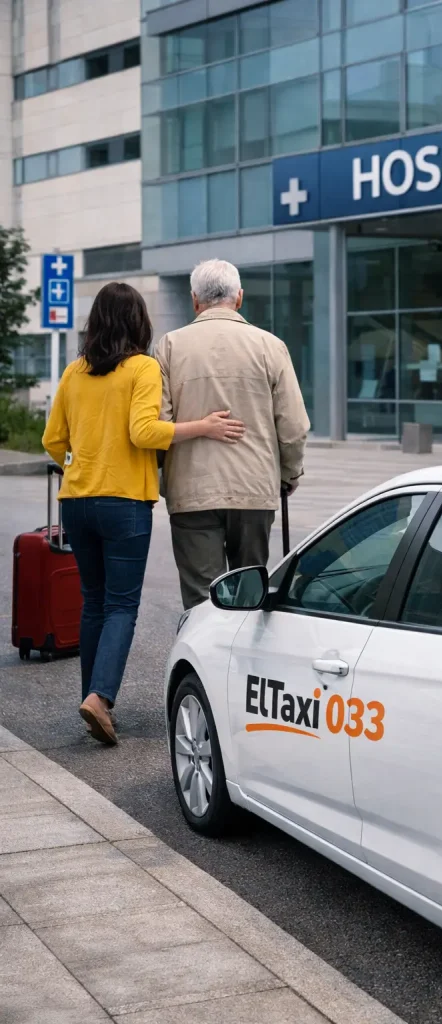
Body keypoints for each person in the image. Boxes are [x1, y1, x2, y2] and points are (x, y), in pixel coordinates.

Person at [42, 282, 245, 745]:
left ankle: (92, 699)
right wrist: (205, 427)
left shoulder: (75, 372)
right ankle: (100, 698)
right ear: (138, 321)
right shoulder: (142, 368)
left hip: (75, 501)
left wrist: (84, 455)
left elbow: (53, 440)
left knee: (93, 601)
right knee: (120, 605)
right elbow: (144, 432)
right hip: (124, 502)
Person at [156, 258, 310, 610]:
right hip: (254, 490)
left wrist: (163, 474)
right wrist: (289, 473)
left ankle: (199, 660)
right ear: (239, 298)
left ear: (195, 300)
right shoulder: (271, 345)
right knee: (247, 595)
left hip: (191, 492)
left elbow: (159, 425)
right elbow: (294, 425)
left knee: (201, 601)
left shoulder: (169, 346)